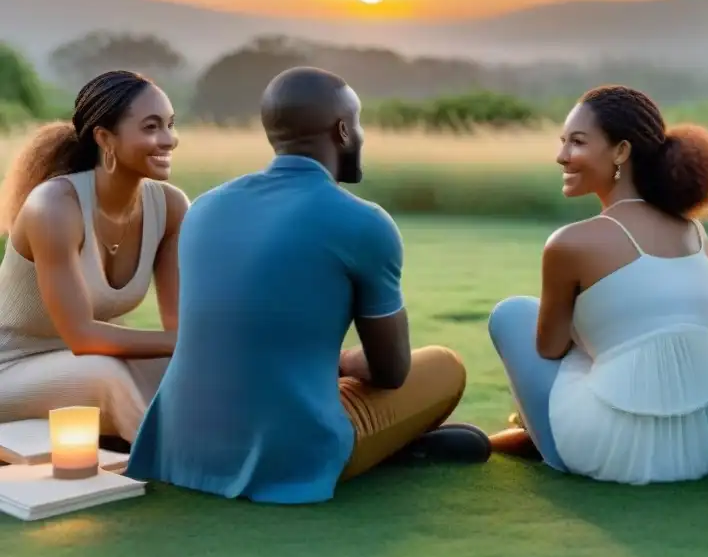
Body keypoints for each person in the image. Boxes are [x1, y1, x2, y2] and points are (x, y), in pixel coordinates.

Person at [125, 66, 490, 504]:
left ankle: (398, 446)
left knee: (296, 377)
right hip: (287, 459)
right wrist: (344, 361)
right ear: (341, 130)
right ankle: (390, 448)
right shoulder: (363, 222)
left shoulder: (204, 208)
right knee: (444, 366)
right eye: (357, 124)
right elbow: (391, 372)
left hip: (179, 449)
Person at [486, 84, 708, 484]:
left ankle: (541, 441)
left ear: (621, 151)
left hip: (616, 452)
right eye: (563, 142)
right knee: (608, 338)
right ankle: (529, 430)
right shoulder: (695, 232)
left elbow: (549, 348)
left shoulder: (569, 243)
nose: (562, 156)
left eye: (577, 142)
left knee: (512, 314)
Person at [0, 70, 188, 443]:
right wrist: (190, 341)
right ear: (105, 138)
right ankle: (180, 459)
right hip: (12, 368)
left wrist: (198, 347)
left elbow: (178, 327)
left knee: (190, 365)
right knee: (107, 377)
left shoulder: (170, 207)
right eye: (151, 127)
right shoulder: (54, 206)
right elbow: (82, 336)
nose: (169, 140)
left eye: (170, 125)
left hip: (88, 361)